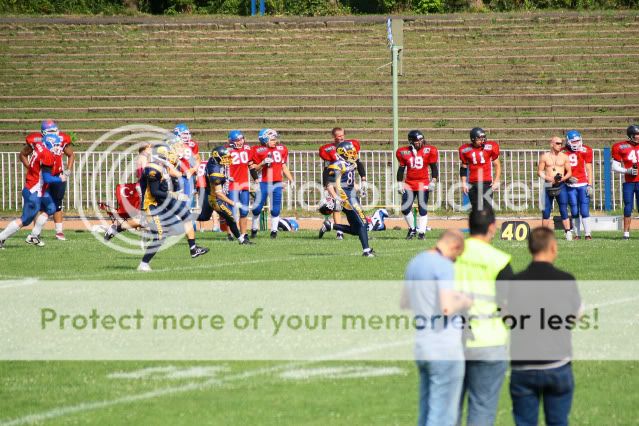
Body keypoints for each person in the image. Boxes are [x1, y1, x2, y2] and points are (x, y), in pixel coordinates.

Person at [508, 227, 582, 426]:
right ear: (553, 248)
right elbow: (576, 316)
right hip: (557, 363)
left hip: (523, 365)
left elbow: (507, 318)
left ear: (530, 249)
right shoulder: (566, 280)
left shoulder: (515, 281)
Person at [402, 230, 473, 426]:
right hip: (444, 346)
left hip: (422, 344)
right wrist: (464, 300)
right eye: (456, 257)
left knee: (426, 410)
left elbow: (405, 302)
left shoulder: (415, 262)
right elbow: (447, 307)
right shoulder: (443, 266)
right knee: (443, 415)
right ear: (455, 247)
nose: (454, 262)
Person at [454, 207, 513, 426]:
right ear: (492, 227)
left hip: (452, 340)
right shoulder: (499, 260)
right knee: (481, 410)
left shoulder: (452, 254)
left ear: (469, 226)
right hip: (489, 341)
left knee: (449, 411)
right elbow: (510, 308)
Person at [137, 145, 208, 272]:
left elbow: (175, 177)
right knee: (160, 235)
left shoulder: (163, 167)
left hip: (164, 200)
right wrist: (174, 194)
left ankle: (193, 249)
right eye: (168, 153)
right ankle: (143, 263)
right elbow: (154, 192)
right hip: (153, 204)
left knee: (186, 215)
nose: (171, 156)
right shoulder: (152, 168)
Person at [0, 138, 66, 249]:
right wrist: (60, 179)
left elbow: (32, 142)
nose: (58, 148)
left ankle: (34, 236)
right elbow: (47, 178)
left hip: (37, 188)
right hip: (34, 191)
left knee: (51, 207)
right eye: (55, 146)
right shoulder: (47, 155)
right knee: (25, 220)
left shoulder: (40, 146)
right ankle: (1, 237)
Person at [318, 141, 375, 257]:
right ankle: (367, 251)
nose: (353, 154)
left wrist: (360, 188)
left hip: (352, 196)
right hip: (347, 199)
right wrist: (336, 197)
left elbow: (348, 183)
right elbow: (328, 183)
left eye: (353, 152)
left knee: (355, 229)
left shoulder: (350, 164)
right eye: (350, 152)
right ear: (342, 153)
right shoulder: (337, 165)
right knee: (363, 223)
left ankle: (331, 226)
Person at [22, 120, 74, 241]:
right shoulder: (36, 140)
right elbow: (23, 154)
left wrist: (68, 170)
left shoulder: (61, 139)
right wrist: (31, 168)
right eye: (49, 131)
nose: (52, 134)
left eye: (54, 131)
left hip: (57, 175)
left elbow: (71, 154)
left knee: (57, 204)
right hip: (42, 177)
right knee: (38, 204)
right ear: (43, 133)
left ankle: (59, 231)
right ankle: (36, 232)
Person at [319, 127, 367, 240]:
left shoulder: (349, 146)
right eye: (338, 135)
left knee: (354, 208)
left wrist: (363, 179)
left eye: (342, 135)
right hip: (337, 182)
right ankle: (340, 232)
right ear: (334, 136)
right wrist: (327, 185)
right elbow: (326, 170)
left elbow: (358, 163)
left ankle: (355, 228)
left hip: (349, 182)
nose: (341, 137)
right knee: (338, 206)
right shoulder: (329, 149)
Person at [197, 145, 250, 245]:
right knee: (230, 216)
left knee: (204, 217)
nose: (227, 160)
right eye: (225, 157)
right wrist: (233, 203)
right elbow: (219, 194)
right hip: (214, 198)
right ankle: (241, 240)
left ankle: (183, 217)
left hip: (209, 195)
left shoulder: (213, 162)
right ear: (217, 156)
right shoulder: (215, 172)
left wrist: (225, 178)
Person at [249, 128, 294, 239]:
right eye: (272, 139)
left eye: (275, 139)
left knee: (276, 208)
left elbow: (283, 166)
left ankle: (274, 232)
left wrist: (291, 180)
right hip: (263, 182)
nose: (275, 141)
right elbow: (253, 168)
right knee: (257, 208)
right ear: (265, 140)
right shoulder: (257, 150)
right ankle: (254, 229)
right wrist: (263, 163)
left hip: (277, 182)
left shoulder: (281, 149)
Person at [396, 130, 439, 240]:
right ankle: (412, 229)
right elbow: (401, 169)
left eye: (421, 139)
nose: (420, 142)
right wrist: (400, 183)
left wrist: (433, 181)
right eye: (417, 140)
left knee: (422, 209)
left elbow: (434, 167)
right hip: (409, 183)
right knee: (405, 208)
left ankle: (422, 232)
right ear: (411, 141)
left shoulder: (430, 150)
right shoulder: (403, 152)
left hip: (423, 183)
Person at [104, 143, 152, 240]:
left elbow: (139, 175)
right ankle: (116, 229)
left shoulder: (141, 158)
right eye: (150, 148)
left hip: (142, 186)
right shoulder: (143, 158)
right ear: (145, 149)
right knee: (145, 213)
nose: (151, 150)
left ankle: (145, 231)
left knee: (145, 214)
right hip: (143, 187)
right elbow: (144, 174)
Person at [537, 136, 572, 239]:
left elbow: (569, 172)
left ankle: (568, 232)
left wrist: (563, 178)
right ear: (551, 144)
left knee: (563, 208)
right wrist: (548, 178)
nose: (559, 145)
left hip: (560, 185)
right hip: (548, 184)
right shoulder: (544, 156)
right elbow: (539, 171)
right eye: (557, 143)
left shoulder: (564, 156)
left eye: (560, 143)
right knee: (546, 210)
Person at [459, 127, 501, 211]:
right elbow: (463, 168)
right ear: (473, 139)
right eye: (479, 138)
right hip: (472, 182)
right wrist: (464, 183)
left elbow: (497, 165)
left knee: (487, 208)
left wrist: (496, 180)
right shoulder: (465, 149)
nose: (482, 140)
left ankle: (487, 224)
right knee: (475, 209)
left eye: (483, 138)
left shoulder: (490, 147)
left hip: (486, 181)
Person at [562, 130, 594, 240]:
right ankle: (577, 234)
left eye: (577, 141)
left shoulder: (587, 150)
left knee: (584, 210)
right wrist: (567, 179)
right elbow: (560, 170)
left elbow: (589, 168)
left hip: (583, 184)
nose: (576, 143)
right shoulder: (563, 152)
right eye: (573, 141)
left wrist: (590, 184)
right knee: (574, 210)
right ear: (568, 141)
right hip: (570, 185)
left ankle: (588, 234)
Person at [227, 130, 257, 243]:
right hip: (231, 185)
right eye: (237, 140)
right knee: (231, 211)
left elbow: (251, 166)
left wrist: (256, 179)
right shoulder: (227, 151)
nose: (240, 142)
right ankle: (230, 233)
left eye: (241, 139)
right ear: (231, 141)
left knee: (244, 211)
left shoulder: (247, 150)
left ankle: (244, 234)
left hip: (244, 184)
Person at [611, 124, 639, 240]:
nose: (638, 137)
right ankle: (626, 233)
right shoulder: (620, 146)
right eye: (636, 135)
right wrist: (626, 170)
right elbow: (614, 166)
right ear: (630, 135)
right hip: (629, 181)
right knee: (628, 206)